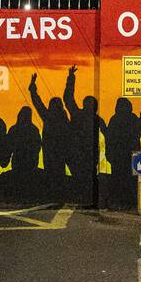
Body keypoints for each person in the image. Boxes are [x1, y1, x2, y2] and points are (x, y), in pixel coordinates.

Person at [63, 66, 103, 205]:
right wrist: (71, 78)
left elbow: (68, 98)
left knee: (82, 178)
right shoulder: (92, 118)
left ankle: (85, 199)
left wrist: (71, 78)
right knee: (85, 178)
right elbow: (68, 98)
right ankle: (86, 199)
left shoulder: (80, 115)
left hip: (83, 153)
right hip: (83, 153)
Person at [28, 73, 72, 178]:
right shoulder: (64, 120)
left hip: (49, 150)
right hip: (61, 150)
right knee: (59, 173)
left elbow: (37, 102)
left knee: (50, 174)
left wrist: (33, 86)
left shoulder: (48, 116)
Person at [7, 105, 43, 198]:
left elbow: (8, 146)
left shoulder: (14, 129)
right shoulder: (34, 130)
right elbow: (38, 147)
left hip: (18, 161)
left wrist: (5, 161)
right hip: (31, 162)